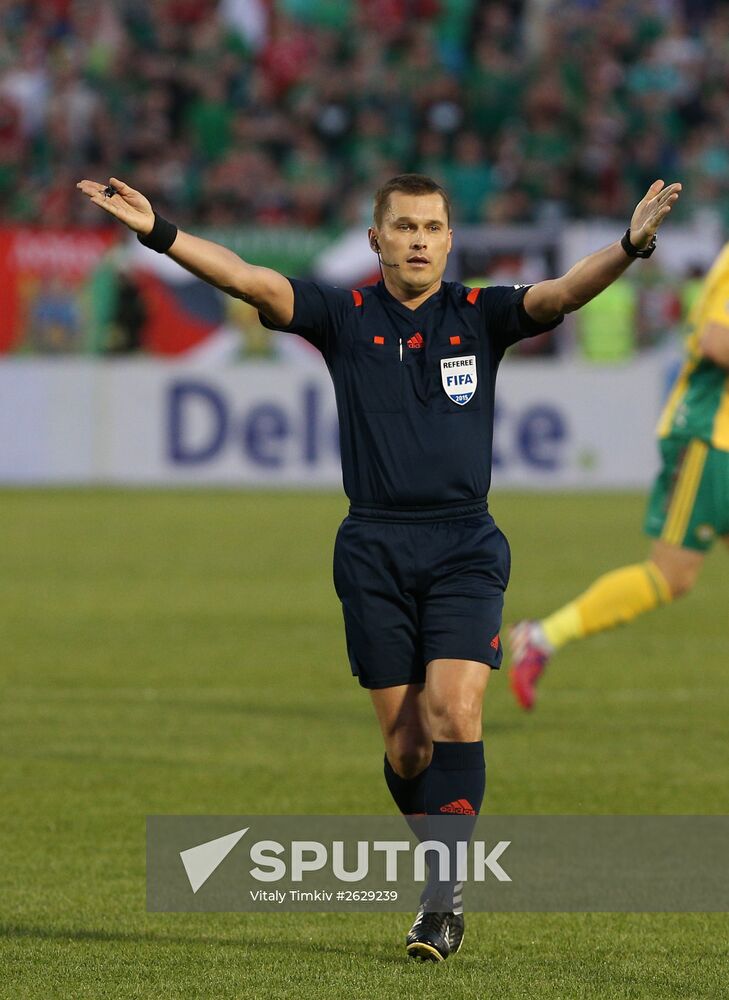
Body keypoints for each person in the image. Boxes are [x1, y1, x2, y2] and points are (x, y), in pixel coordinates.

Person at [77, 171, 680, 961]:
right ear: (376, 240)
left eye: (431, 227)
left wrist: (630, 245)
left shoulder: (480, 313)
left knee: (455, 711)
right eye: (403, 227)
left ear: (449, 240)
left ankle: (442, 899)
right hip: (372, 548)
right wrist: (159, 232)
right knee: (407, 749)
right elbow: (248, 279)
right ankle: (440, 864)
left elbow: (563, 293)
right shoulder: (343, 315)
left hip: (464, 544)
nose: (418, 241)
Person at [510, 241, 729, 712]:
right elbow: (718, 341)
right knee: (670, 575)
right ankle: (542, 637)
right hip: (710, 438)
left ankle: (542, 636)